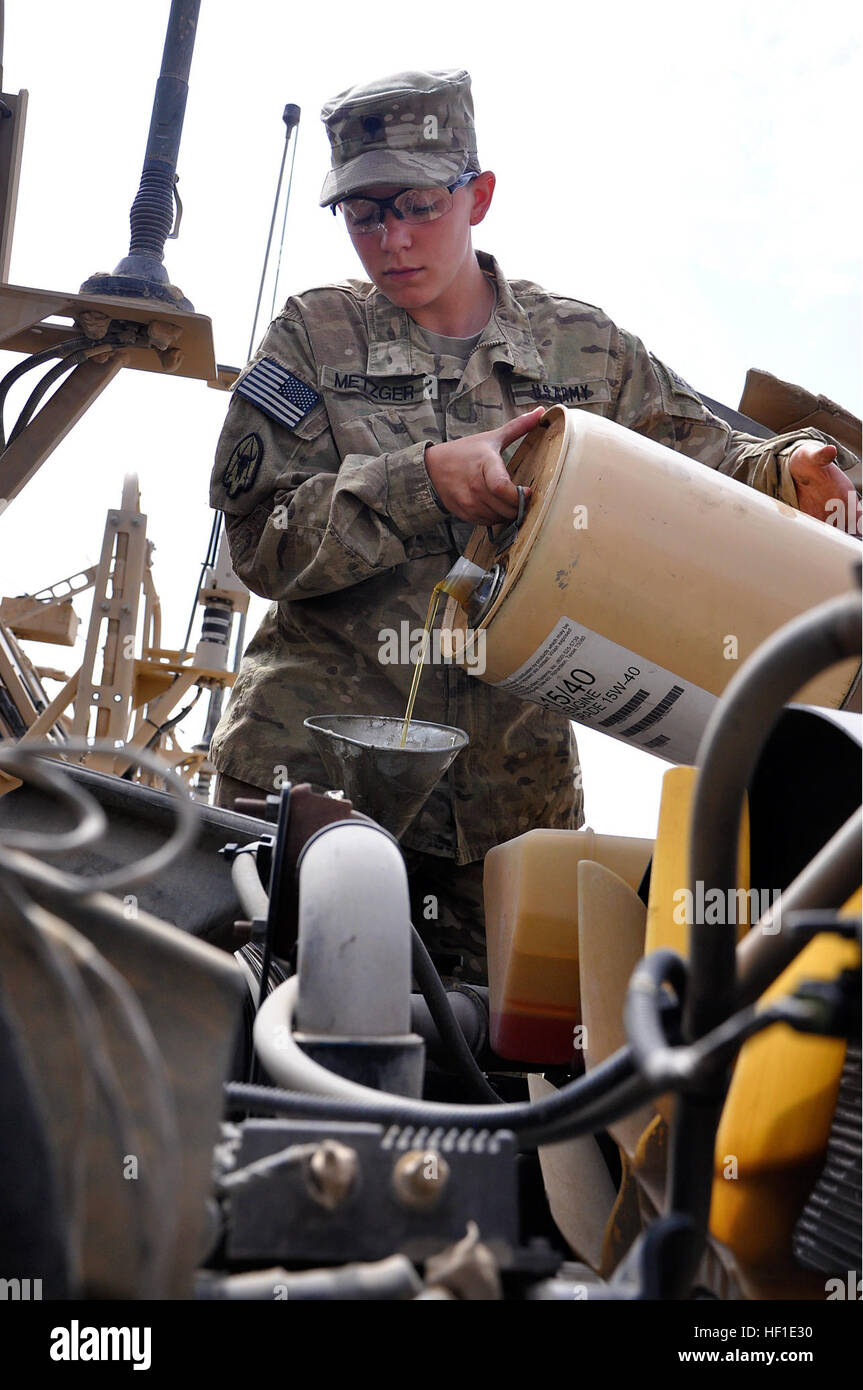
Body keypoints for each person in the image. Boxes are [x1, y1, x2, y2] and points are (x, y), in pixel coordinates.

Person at [208, 69, 861, 983]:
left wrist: (788, 469)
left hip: (507, 818)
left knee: (514, 1076)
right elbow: (262, 540)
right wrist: (422, 483)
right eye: (362, 215)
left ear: (477, 194)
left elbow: (709, 469)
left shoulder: (580, 349)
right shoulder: (312, 340)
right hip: (313, 783)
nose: (391, 239)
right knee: (278, 1043)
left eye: (417, 205)